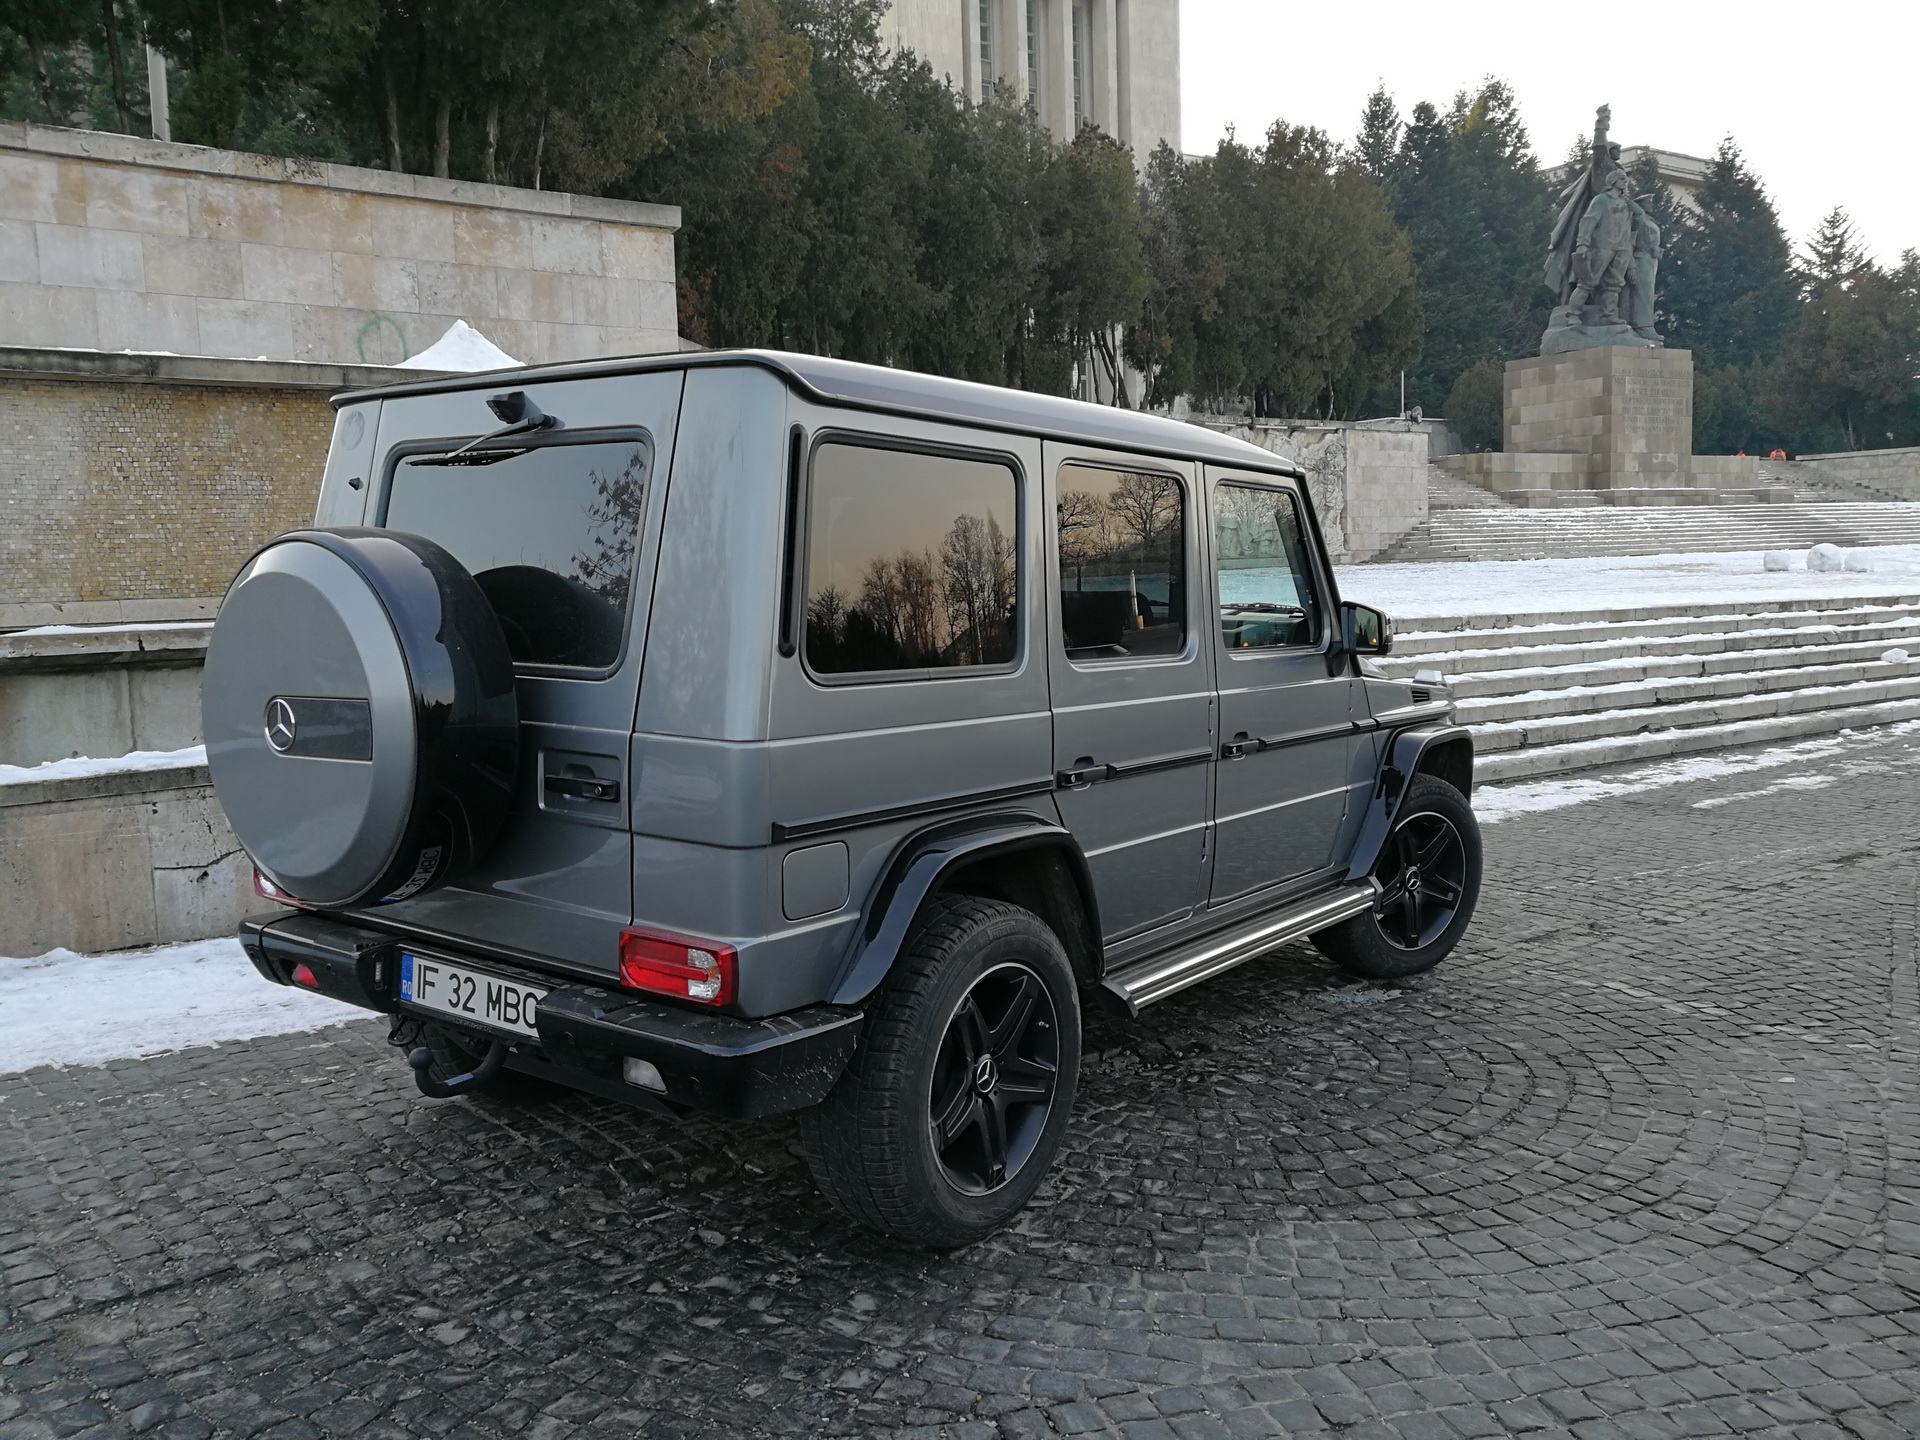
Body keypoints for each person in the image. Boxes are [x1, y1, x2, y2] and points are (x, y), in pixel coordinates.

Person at [1564, 170, 1635, 327]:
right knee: (1587, 282)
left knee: (1614, 285)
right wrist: (1582, 243)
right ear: (1613, 180)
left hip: (1621, 248)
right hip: (1602, 246)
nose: (1625, 181)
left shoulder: (1625, 204)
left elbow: (1627, 231)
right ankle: (1573, 314)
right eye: (1621, 178)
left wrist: (1629, 258)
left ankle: (1609, 315)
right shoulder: (1601, 200)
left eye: (1626, 178)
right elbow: (1588, 221)